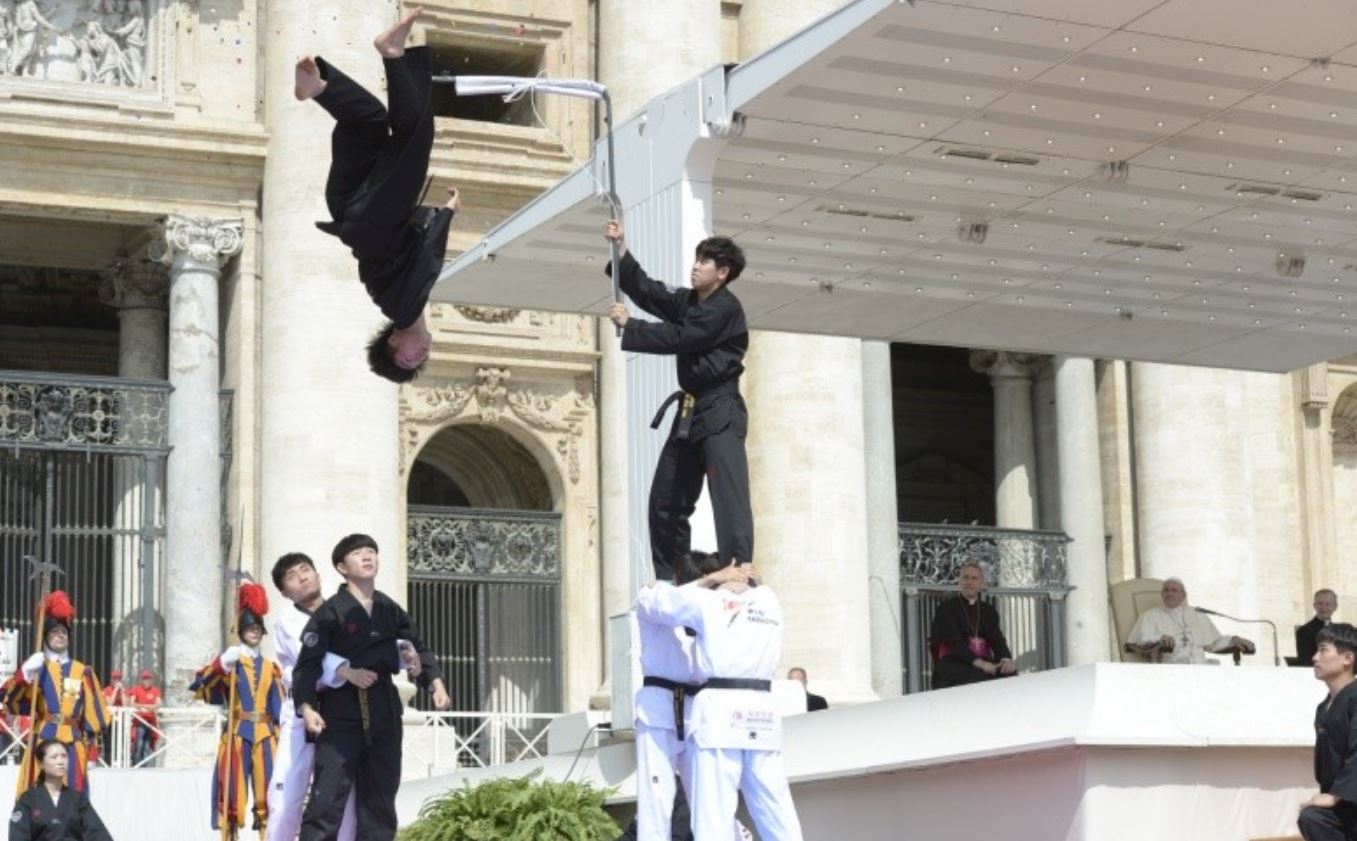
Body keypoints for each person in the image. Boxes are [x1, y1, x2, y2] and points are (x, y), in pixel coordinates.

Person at [296, 6, 460, 384]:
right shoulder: (398, 303)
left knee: (415, 136)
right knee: (368, 121)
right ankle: (318, 89)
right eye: (420, 363)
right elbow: (417, 251)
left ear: (393, 341)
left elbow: (429, 256)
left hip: (374, 217)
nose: (420, 357)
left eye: (407, 360)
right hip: (348, 206)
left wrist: (448, 213)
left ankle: (391, 52)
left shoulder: (404, 308)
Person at [602, 219, 752, 581]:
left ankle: (739, 569)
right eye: (696, 259)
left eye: (704, 262)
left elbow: (682, 336)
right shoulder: (689, 301)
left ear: (723, 273)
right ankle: (672, 577)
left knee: (727, 495)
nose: (695, 266)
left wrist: (632, 326)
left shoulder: (725, 308)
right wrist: (621, 250)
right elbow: (652, 293)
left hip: (721, 409)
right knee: (665, 500)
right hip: (690, 411)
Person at [294, 533, 451, 840]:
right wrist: (307, 707)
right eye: (357, 553)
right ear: (342, 567)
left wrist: (434, 681)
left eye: (371, 551)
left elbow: (416, 647)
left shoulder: (390, 609)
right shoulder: (330, 612)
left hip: (384, 708)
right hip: (340, 711)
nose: (367, 557)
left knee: (380, 801)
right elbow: (308, 663)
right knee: (326, 802)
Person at [636, 557, 803, 841]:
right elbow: (649, 602)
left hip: (714, 712)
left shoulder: (707, 603)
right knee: (774, 804)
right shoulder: (769, 600)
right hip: (692, 709)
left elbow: (657, 600)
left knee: (713, 811)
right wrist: (722, 579)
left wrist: (713, 581)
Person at [620, 552, 752, 841]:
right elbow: (655, 600)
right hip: (659, 711)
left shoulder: (710, 614)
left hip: (696, 713)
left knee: (709, 797)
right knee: (656, 800)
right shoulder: (654, 597)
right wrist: (711, 580)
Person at [266, 552, 357, 841]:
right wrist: (345, 670)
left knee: (344, 793)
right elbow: (309, 655)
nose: (303, 577)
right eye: (292, 577)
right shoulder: (288, 620)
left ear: (318, 574)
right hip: (302, 709)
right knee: (286, 795)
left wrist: (402, 653)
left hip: (341, 707)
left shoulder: (343, 610)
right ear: (285, 592)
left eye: (306, 570)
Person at [190, 582, 284, 834]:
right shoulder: (230, 663)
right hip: (236, 734)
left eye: (258, 628)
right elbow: (201, 686)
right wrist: (220, 664)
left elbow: (278, 708)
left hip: (266, 736)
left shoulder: (271, 668)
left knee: (268, 799)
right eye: (250, 628)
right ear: (240, 631)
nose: (254, 631)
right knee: (231, 797)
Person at [1, 591, 109, 795]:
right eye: (54, 631)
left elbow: (94, 716)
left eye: (63, 632)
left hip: (72, 745)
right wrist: (25, 673)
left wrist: (92, 752)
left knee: (73, 798)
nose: (60, 635)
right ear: (45, 636)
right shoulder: (36, 669)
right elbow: (11, 701)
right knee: (39, 797)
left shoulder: (82, 671)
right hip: (43, 740)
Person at [1298, 622, 1357, 840]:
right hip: (1344, 804)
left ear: (1347, 658)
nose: (1315, 658)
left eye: (1323, 650)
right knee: (1312, 818)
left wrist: (1335, 795)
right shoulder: (1323, 708)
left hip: (1350, 796)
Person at [1126, 577, 1255, 664]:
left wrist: (1234, 640)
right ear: (1162, 595)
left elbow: (1214, 643)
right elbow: (1141, 640)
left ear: (1183, 595)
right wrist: (1160, 639)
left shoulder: (1197, 613)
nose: (1169, 593)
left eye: (1174, 590)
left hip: (1201, 668)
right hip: (1171, 671)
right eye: (1166, 590)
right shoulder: (1150, 615)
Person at [928, 563, 1016, 689]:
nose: (969, 582)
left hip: (984, 662)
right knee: (977, 678)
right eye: (966, 577)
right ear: (960, 581)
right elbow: (954, 644)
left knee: (1010, 674)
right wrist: (980, 663)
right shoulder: (947, 608)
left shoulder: (988, 611)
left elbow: (997, 639)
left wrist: (1005, 659)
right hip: (955, 662)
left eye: (974, 578)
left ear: (981, 583)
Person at [8, 738, 113, 841]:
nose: (61, 762)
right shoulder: (28, 800)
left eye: (64, 756)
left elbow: (97, 833)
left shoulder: (77, 799)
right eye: (54, 757)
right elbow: (18, 835)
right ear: (41, 764)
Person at [1294, 590, 1340, 667]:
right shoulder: (1304, 631)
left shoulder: (1340, 632)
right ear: (1314, 606)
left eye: (1327, 604)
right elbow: (1304, 662)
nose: (1323, 608)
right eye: (1320, 604)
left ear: (1335, 607)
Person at [126, 668, 160, 767]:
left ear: (151, 680)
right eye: (144, 678)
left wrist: (142, 706)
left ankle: (144, 768)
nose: (146, 681)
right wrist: (149, 707)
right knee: (139, 745)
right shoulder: (136, 689)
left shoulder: (155, 690)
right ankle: (136, 766)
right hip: (139, 721)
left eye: (148, 678)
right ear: (141, 680)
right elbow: (131, 703)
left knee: (147, 746)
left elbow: (158, 704)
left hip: (150, 721)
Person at [98, 670, 124, 764]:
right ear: (111, 680)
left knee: (119, 744)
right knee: (108, 744)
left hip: (119, 721)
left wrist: (122, 692)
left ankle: (119, 764)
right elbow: (110, 703)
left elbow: (126, 705)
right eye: (114, 678)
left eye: (119, 678)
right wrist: (116, 690)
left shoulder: (123, 691)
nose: (117, 680)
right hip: (108, 721)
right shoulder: (106, 690)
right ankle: (108, 764)